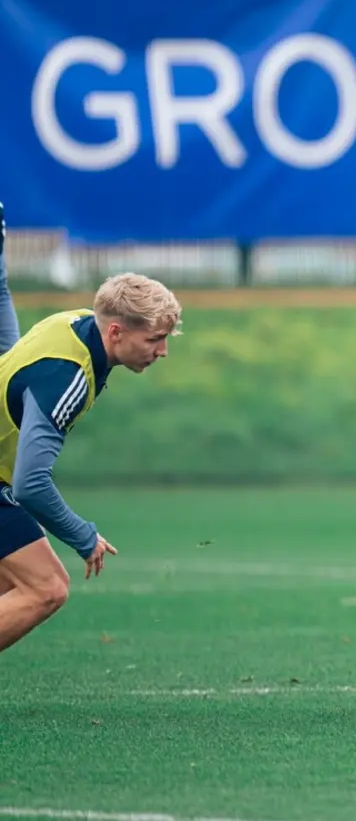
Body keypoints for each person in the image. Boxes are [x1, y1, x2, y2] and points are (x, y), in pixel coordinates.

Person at [0, 201, 182, 652]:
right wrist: (82, 535)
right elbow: (31, 483)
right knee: (45, 589)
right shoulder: (68, 377)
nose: (161, 353)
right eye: (154, 340)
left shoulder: (75, 323)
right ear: (118, 332)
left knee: (12, 589)